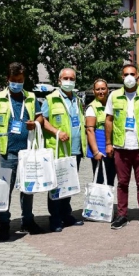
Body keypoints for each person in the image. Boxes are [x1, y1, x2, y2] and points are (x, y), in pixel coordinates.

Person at [0, 62, 44, 240]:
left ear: (24, 79)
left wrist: (36, 123)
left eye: (19, 80)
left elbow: (40, 117)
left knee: (28, 188)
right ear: (8, 79)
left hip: (27, 151)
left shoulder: (31, 97)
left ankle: (28, 220)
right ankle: (4, 224)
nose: (16, 83)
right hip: (7, 151)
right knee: (5, 190)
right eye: (13, 80)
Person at [104, 64, 139, 230]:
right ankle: (122, 215)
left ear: (138, 77)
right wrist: (108, 143)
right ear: (122, 77)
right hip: (121, 147)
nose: (129, 77)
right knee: (122, 183)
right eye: (126, 74)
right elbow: (108, 120)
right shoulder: (114, 96)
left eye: (132, 74)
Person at [41, 68, 86, 233]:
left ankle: (67, 215)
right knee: (56, 186)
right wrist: (56, 132)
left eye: (71, 78)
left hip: (74, 150)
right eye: (65, 78)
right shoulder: (50, 99)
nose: (69, 81)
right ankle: (55, 218)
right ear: (59, 80)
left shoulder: (77, 99)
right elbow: (42, 120)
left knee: (70, 184)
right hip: (58, 150)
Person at [85, 79, 116, 186]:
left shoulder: (112, 105)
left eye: (103, 88)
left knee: (110, 179)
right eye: (97, 89)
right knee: (100, 179)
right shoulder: (92, 108)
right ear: (94, 91)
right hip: (99, 148)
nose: (101, 91)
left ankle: (108, 202)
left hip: (112, 148)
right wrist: (95, 152)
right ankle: (97, 202)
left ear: (107, 90)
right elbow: (90, 131)